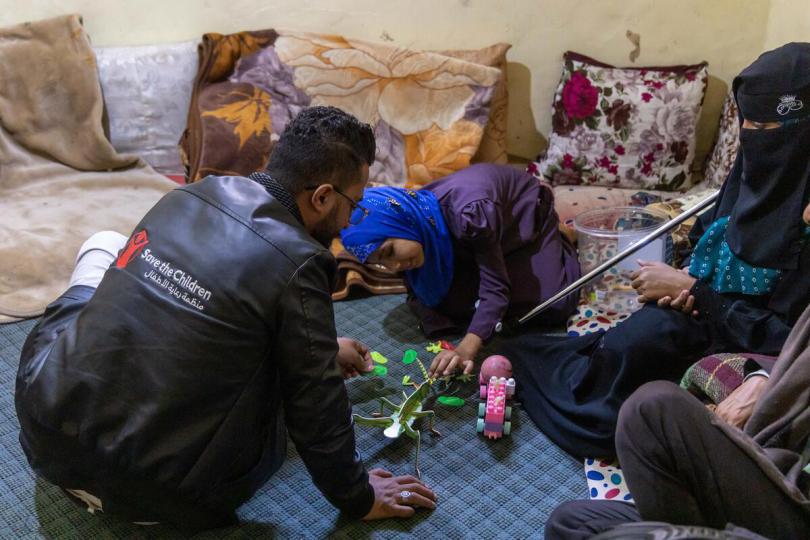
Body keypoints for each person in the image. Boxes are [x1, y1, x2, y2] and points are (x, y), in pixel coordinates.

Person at [15, 106, 436, 530]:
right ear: (323, 196)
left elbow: (207, 311)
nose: (349, 222)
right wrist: (359, 497)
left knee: (107, 244)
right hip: (161, 494)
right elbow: (316, 408)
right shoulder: (302, 262)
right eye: (354, 205)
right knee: (279, 391)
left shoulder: (188, 193)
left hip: (45, 432)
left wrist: (321, 349)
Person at [499, 42, 810, 459]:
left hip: (749, 335)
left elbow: (790, 338)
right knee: (629, 339)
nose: (754, 139)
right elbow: (706, 233)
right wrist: (684, 283)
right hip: (706, 307)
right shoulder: (753, 174)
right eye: (747, 125)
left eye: (768, 129)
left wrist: (696, 292)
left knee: (641, 347)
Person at [545, 297, 810, 540]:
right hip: (779, 476)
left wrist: (699, 292)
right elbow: (794, 357)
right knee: (570, 523)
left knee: (650, 410)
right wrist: (760, 378)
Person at [340, 163, 581, 377]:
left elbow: (495, 289)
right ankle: (485, 256)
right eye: (381, 263)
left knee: (554, 301)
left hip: (520, 218)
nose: (393, 267)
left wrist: (466, 348)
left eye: (390, 252)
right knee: (446, 305)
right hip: (476, 237)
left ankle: (560, 236)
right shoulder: (420, 223)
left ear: (403, 222)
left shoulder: (470, 213)